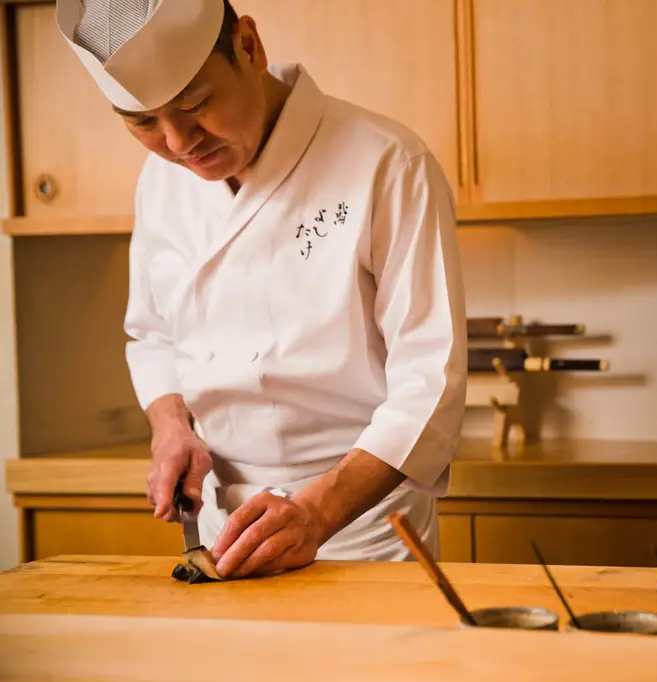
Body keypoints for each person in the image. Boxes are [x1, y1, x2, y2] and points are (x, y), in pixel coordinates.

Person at [55, 0, 468, 578]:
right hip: (223, 532)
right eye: (143, 122)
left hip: (361, 531)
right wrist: (172, 428)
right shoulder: (160, 185)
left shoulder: (388, 163)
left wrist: (317, 514)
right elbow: (152, 335)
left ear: (248, 47)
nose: (178, 143)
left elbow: (430, 382)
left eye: (196, 104)